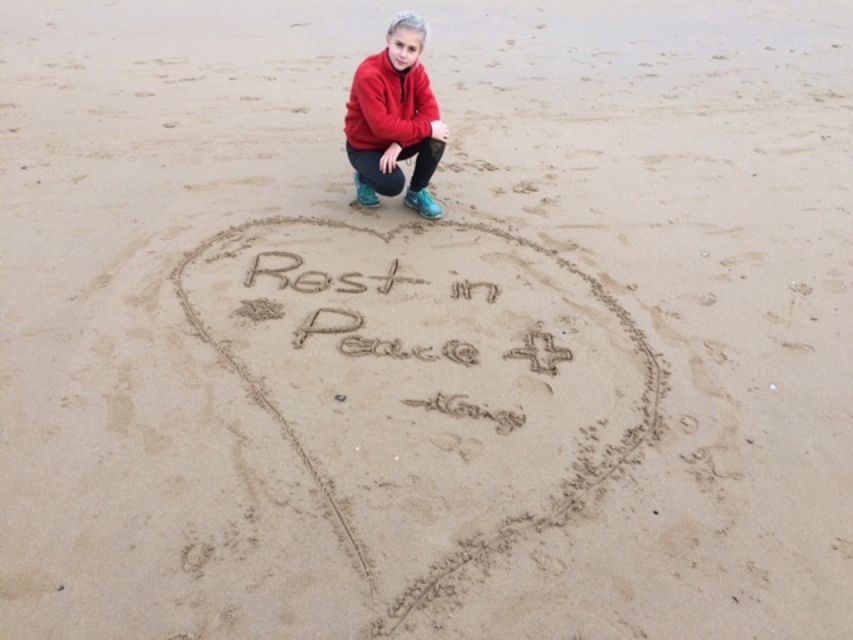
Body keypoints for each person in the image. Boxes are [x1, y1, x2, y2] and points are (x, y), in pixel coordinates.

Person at [344, 11, 449, 220]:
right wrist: (424, 128)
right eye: (399, 45)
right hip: (366, 145)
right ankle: (364, 178)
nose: (403, 54)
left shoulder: (417, 71)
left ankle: (417, 192)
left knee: (438, 135)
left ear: (420, 52)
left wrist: (400, 143)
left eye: (411, 49)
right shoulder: (369, 73)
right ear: (388, 40)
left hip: (397, 139)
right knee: (392, 185)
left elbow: (431, 113)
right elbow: (381, 126)